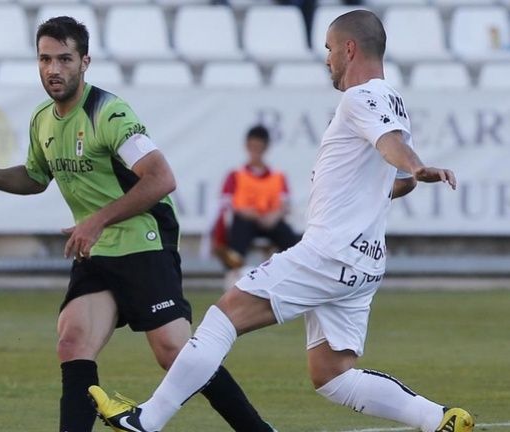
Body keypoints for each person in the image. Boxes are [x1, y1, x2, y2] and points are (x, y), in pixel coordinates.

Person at [89, 10, 474, 432]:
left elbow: (393, 149)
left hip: (330, 252)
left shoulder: (361, 97)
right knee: (333, 375)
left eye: (329, 49)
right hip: (364, 262)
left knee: (223, 317)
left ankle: (147, 420)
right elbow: (396, 179)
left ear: (349, 49)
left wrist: (417, 166)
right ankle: (440, 419)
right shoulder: (392, 100)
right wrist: (406, 174)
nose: (327, 59)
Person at [0, 16, 275, 432]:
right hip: (96, 250)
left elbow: (162, 179)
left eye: (64, 59)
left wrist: (95, 222)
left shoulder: (108, 113)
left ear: (85, 62)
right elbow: (37, 177)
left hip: (143, 241)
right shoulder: (43, 119)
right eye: (45, 59)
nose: (53, 69)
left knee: (175, 354)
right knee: (73, 342)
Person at [212, 124, 298, 272]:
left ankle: (296, 266)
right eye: (252, 146)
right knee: (239, 229)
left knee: (290, 238)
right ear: (246, 146)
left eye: (259, 147)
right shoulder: (235, 175)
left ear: (266, 148)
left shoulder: (278, 176)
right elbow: (228, 204)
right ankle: (234, 264)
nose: (255, 151)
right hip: (246, 221)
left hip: (271, 222)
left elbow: (285, 204)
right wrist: (246, 212)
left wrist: (274, 216)